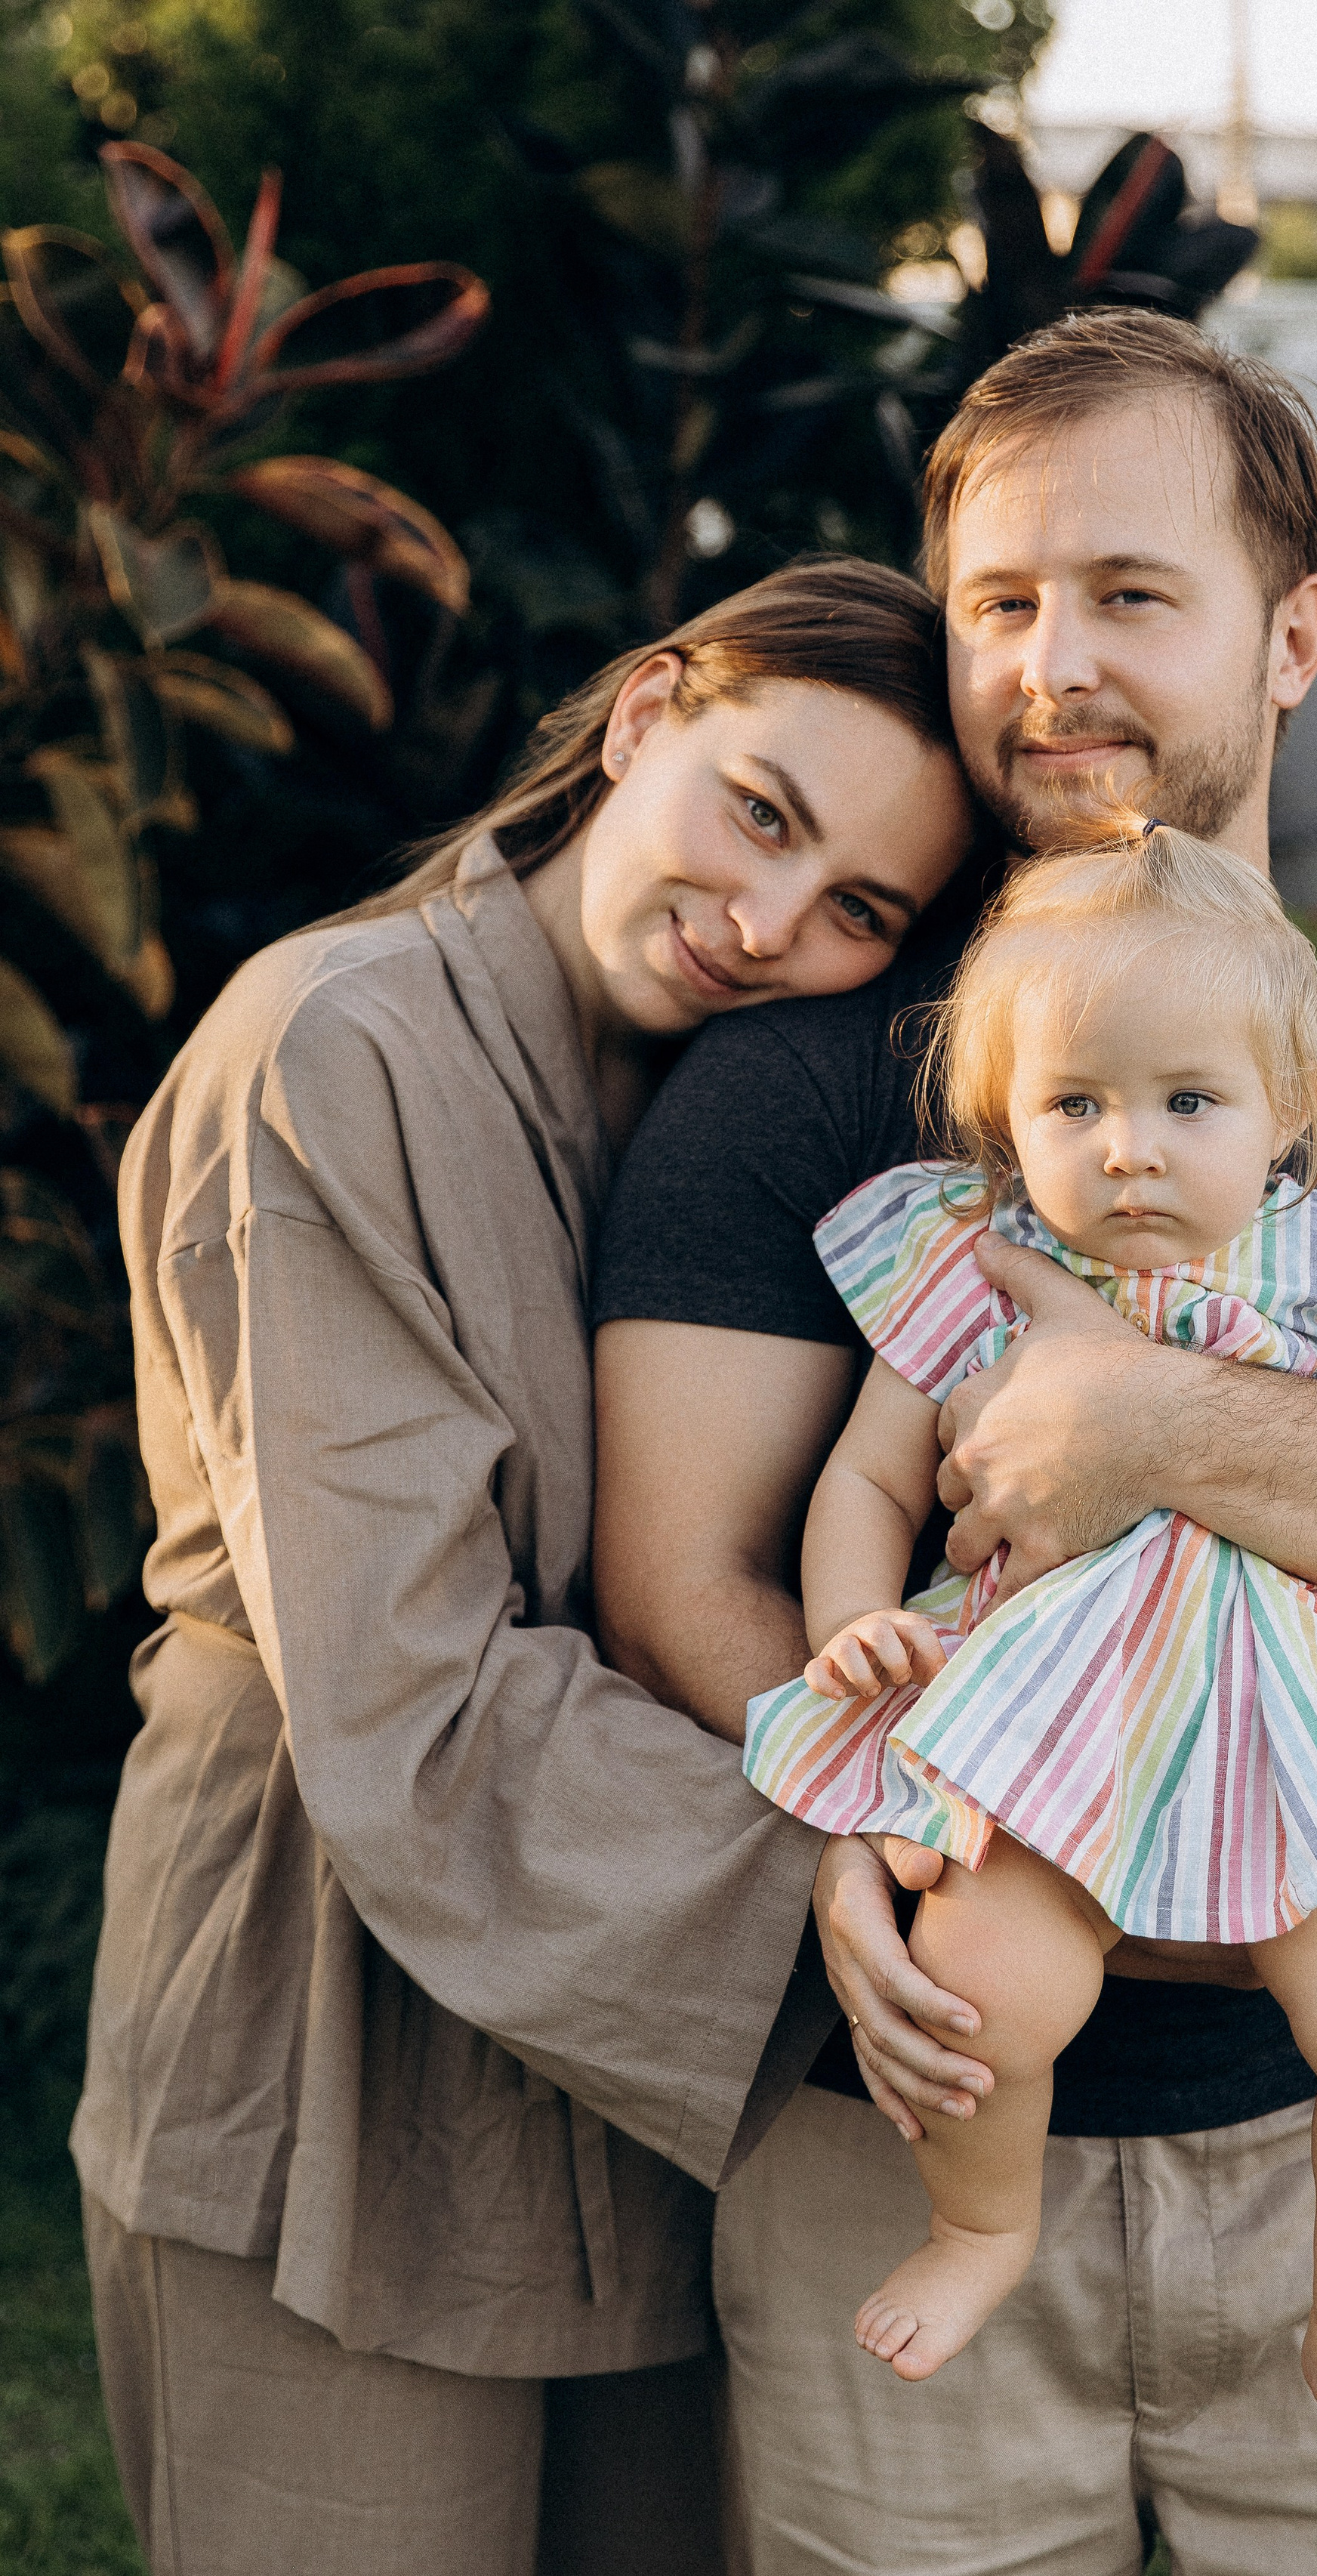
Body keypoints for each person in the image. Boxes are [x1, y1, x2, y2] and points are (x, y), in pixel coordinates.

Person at [594, 311, 1317, 2574]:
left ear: (1294, 637)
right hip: (906, 2110)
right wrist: (861, 1809)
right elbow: (686, 1575)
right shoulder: (806, 1093)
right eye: (1001, 603)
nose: (1050, 667)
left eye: (1127, 596)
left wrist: (1155, 1416)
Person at [70, 559, 976, 2576]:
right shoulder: (336, 1044)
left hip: (651, 2059)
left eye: (859, 912)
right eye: (763, 811)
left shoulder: (753, 1099)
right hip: (326, 2026)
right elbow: (412, 1687)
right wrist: (869, 1873)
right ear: (648, 708)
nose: (768, 926)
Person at [739, 818, 1317, 2534]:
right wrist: (852, 1625)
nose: (1128, 1152)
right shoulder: (969, 1266)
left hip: (1285, 1719)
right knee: (985, 1993)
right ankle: (981, 2225)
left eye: (1186, 1103)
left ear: (1287, 1110)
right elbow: (866, 1484)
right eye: (1074, 1106)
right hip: (1052, 1716)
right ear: (1007, 1119)